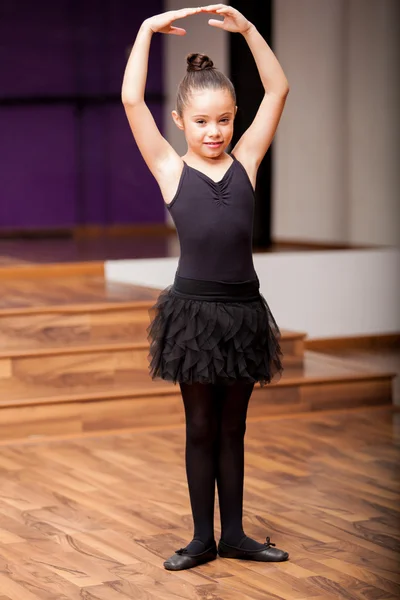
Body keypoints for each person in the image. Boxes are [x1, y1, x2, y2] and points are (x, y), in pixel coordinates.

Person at [122, 4, 289, 571]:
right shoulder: (170, 169)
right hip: (193, 315)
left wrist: (247, 30)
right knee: (201, 427)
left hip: (243, 312)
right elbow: (129, 101)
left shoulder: (248, 159)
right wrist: (146, 31)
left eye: (222, 120)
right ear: (179, 122)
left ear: (235, 117)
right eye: (201, 122)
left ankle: (236, 534)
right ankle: (201, 538)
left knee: (234, 427)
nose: (213, 132)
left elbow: (279, 87)